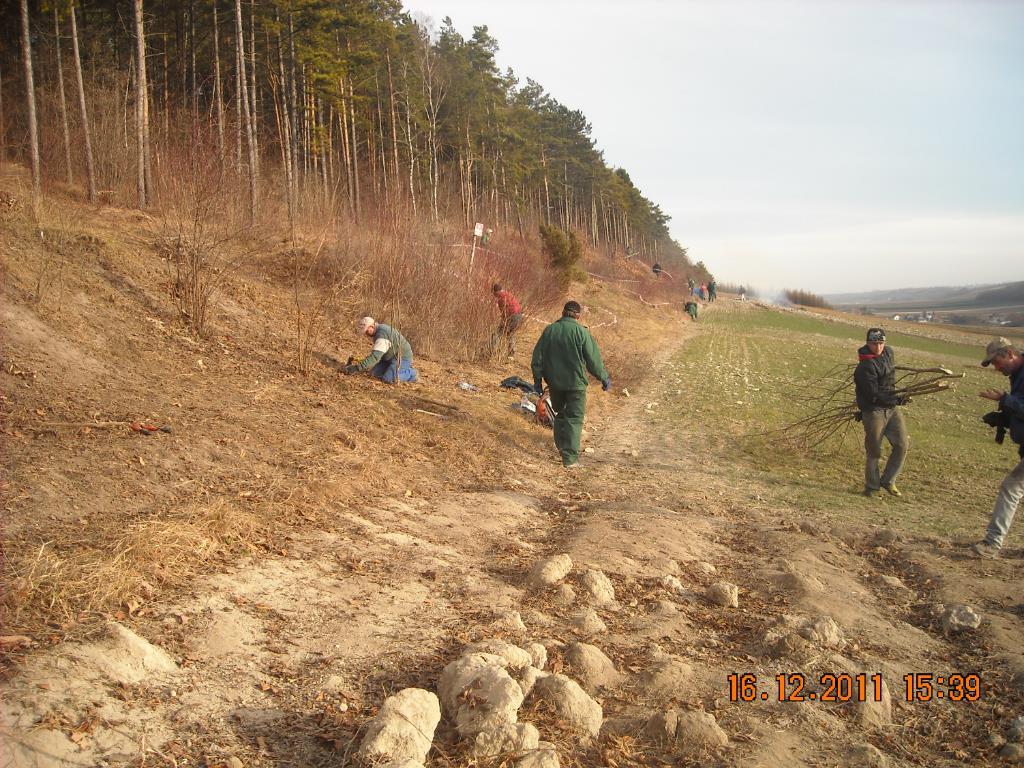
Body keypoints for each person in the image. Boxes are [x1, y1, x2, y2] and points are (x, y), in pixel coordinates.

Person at [531, 301, 611, 469]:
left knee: (560, 414)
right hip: (576, 384)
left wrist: (537, 380)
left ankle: (562, 448)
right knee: (574, 418)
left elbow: (537, 358)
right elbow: (593, 360)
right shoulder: (581, 333)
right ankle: (570, 459)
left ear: (563, 312)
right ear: (578, 315)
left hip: (555, 384)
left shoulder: (549, 330)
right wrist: (603, 377)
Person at [971, 338, 1024, 558]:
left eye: (997, 361)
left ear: (1010, 353)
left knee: (1011, 488)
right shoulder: (1017, 376)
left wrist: (1005, 400)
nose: (996, 367)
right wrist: (1003, 419)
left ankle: (992, 544)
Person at [854, 328, 910, 497]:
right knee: (874, 451)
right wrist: (896, 400)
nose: (878, 347)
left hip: (891, 410)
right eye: (874, 344)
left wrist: (895, 399)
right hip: (874, 412)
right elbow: (873, 395)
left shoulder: (888, 353)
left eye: (881, 343)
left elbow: (889, 379)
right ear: (867, 343)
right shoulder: (864, 367)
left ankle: (888, 481)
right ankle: (871, 487)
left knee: (902, 445)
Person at [343, 316, 418, 383]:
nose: (366, 334)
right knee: (374, 374)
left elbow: (375, 357)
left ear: (372, 326)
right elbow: (378, 354)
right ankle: (392, 370)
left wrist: (357, 368)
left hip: (402, 357)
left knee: (388, 379)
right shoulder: (379, 330)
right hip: (389, 358)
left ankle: (412, 373)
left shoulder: (382, 334)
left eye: (366, 331)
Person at [491, 283, 524, 356]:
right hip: (519, 316)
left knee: (498, 333)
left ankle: (492, 351)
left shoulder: (500, 298)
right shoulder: (508, 294)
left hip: (512, 317)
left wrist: (503, 320)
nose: (494, 295)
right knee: (510, 333)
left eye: (493, 293)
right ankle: (511, 354)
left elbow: (504, 313)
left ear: (495, 292)